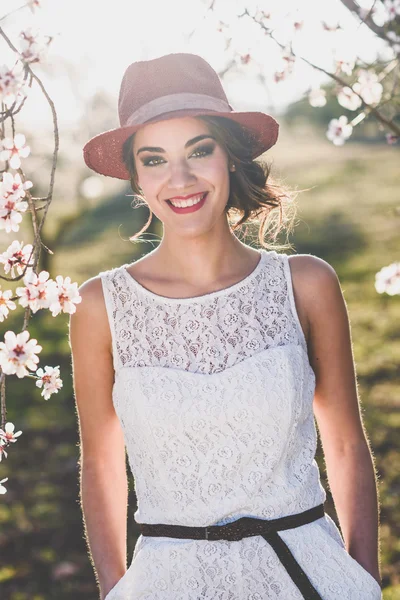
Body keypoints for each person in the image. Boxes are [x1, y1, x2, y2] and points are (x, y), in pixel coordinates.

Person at [69, 53, 382, 600]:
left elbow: (346, 443)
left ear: (229, 157)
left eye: (199, 150)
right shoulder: (100, 306)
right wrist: (115, 589)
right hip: (166, 583)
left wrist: (363, 578)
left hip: (308, 575)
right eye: (155, 159)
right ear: (137, 177)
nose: (181, 178)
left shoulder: (306, 284)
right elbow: (99, 460)